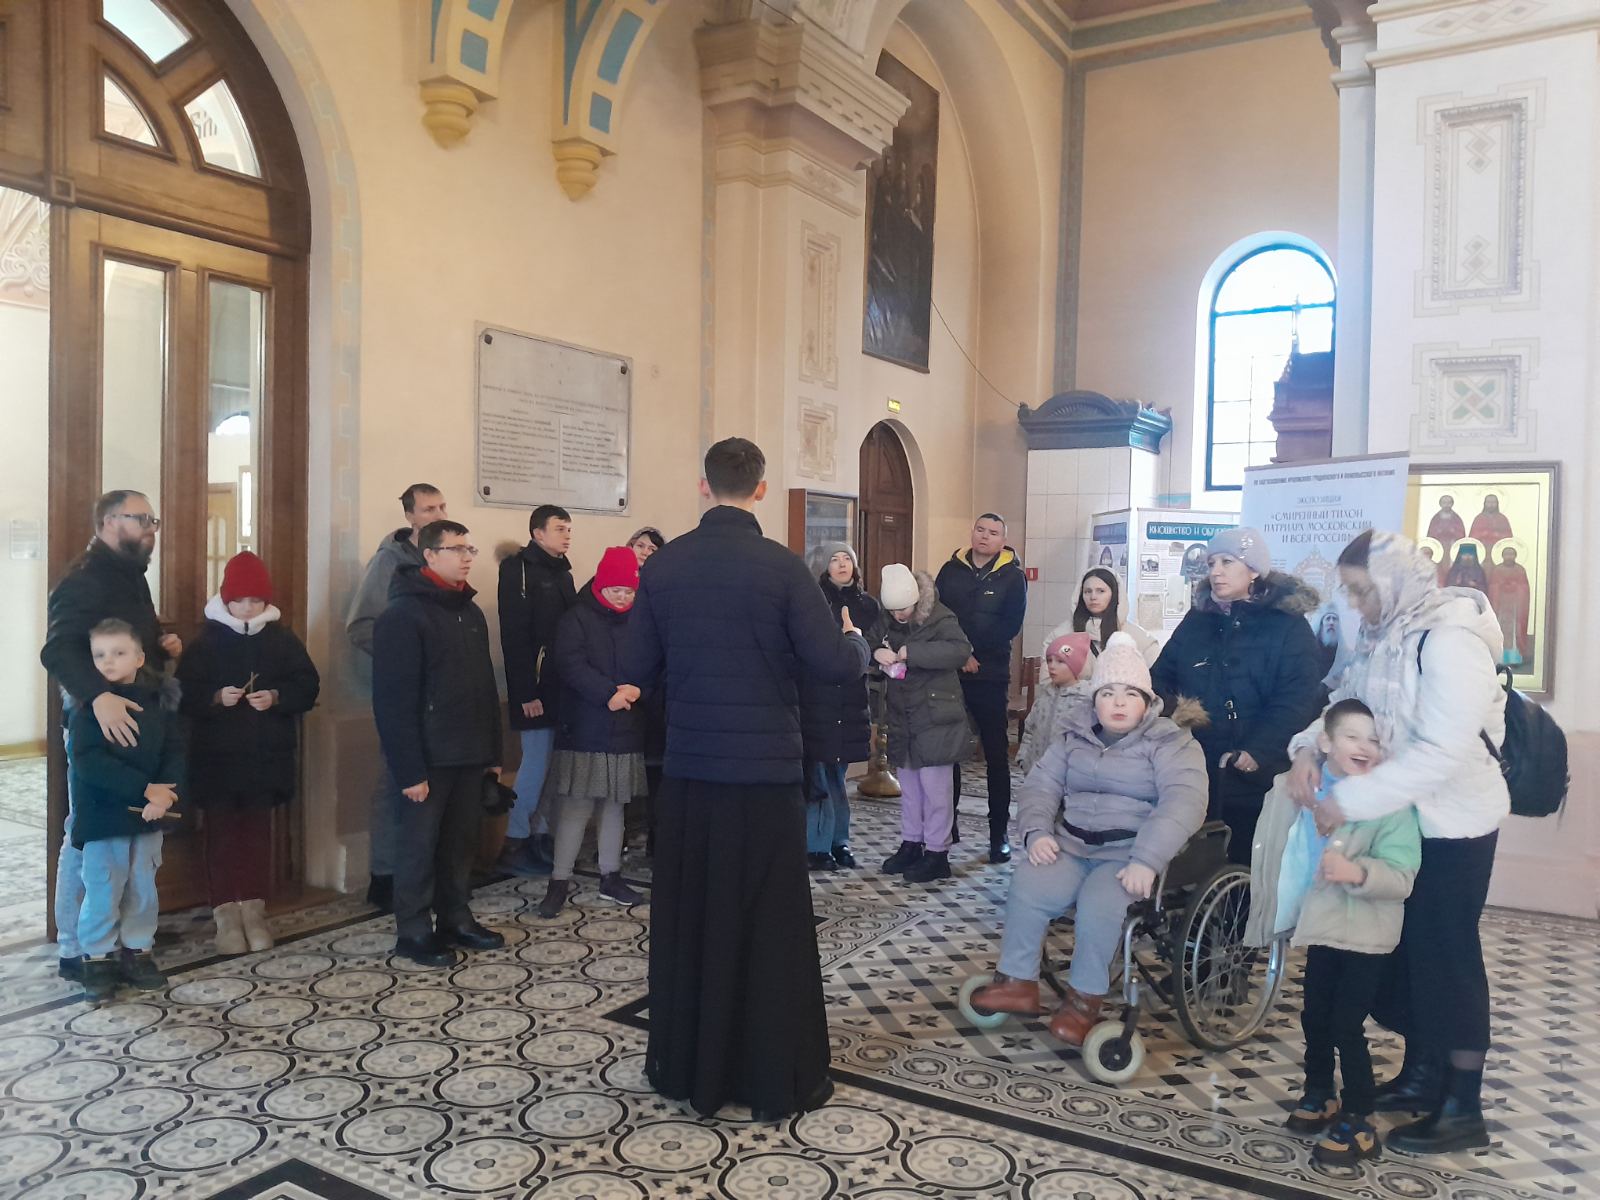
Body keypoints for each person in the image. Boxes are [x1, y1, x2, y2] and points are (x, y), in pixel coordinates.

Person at [620, 437, 869, 1121]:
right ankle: (770, 1072)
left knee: (695, 914)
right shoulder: (782, 567)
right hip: (764, 774)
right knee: (767, 919)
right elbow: (831, 663)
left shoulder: (665, 566)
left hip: (692, 771)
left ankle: (689, 1067)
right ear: (760, 489)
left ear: (704, 486)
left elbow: (636, 666)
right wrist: (855, 641)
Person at [1285, 530, 1507, 1156]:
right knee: (1406, 956)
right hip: (1400, 819)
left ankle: (1462, 1105)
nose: (1356, 605)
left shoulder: (1451, 640)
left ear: (1392, 580)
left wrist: (1349, 801)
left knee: (1447, 959)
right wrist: (1306, 749)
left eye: (1362, 591)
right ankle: (1421, 1075)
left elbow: (1441, 752)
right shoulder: (1383, 637)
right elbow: (1345, 709)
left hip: (1454, 827)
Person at [967, 633, 1207, 1044]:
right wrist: (1037, 831)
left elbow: (1185, 801)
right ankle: (1018, 982)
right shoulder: (1073, 736)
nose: (1118, 703)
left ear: (1147, 701)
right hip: (1073, 845)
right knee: (1029, 883)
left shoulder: (1170, 742)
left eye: (1130, 694)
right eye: (1107, 693)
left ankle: (1083, 999)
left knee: (1099, 905)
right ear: (1094, 701)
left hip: (1128, 856)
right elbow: (1040, 786)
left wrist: (1147, 859)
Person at [1246, 699, 1421, 1166]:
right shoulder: (1313, 789)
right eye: (1352, 737)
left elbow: (1402, 876)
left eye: (1375, 740)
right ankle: (1319, 1091)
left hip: (1367, 936)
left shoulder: (1391, 805)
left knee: (1346, 1023)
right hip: (1323, 927)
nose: (1364, 747)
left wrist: (1357, 872)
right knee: (1315, 1016)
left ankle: (1360, 1115)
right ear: (1326, 742)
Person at [40, 489, 181, 983]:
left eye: (152, 520)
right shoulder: (84, 578)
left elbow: (126, 639)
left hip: (137, 717)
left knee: (134, 840)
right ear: (107, 522)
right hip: (97, 722)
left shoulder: (129, 574)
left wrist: (160, 646)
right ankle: (76, 949)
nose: (150, 529)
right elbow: (58, 650)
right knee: (88, 836)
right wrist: (97, 696)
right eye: (140, 519)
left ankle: (126, 940)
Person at [373, 520, 507, 968]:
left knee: (460, 843)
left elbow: (485, 688)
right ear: (429, 555)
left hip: (469, 751)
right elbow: (393, 701)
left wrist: (493, 754)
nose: (467, 557)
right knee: (418, 847)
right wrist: (409, 769)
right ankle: (413, 930)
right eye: (456, 549)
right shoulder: (403, 615)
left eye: (470, 548)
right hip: (428, 757)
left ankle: (455, 917)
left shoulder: (470, 612)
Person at [1151, 527, 1325, 865]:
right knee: (1191, 862)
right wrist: (1175, 712)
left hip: (1254, 772)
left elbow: (1296, 697)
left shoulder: (1287, 625)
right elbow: (1160, 677)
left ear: (1254, 570)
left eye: (1227, 562)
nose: (1215, 571)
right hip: (1193, 762)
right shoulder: (1197, 619)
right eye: (1211, 563)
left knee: (1244, 861)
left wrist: (1259, 749)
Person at [176, 552, 321, 954]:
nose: (247, 608)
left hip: (265, 758)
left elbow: (307, 684)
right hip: (216, 759)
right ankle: (225, 914)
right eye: (239, 600)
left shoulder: (281, 640)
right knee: (221, 835)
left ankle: (254, 911)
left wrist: (276, 696)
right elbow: (182, 693)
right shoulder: (205, 642)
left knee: (258, 834)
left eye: (255, 601)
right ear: (226, 600)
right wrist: (214, 697)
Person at [67, 620, 184, 1003]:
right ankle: (98, 957)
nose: (108, 661)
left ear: (140, 657)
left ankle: (138, 951)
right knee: (103, 887)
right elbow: (89, 762)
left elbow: (174, 752)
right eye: (99, 655)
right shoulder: (88, 709)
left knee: (142, 886)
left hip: (147, 816)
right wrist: (142, 789)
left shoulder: (159, 704)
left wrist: (164, 795)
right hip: (103, 817)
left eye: (119, 653)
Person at [346, 483, 449, 911]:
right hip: (403, 690)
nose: (437, 515)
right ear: (410, 516)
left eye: (441, 507)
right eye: (428, 509)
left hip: (439, 694)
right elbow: (362, 626)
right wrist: (407, 658)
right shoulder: (389, 562)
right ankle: (384, 875)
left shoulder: (443, 557)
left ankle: (425, 872)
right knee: (396, 781)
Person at [537, 547, 650, 919]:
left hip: (625, 727)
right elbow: (570, 664)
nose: (622, 597)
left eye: (629, 591)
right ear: (601, 585)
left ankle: (610, 876)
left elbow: (653, 664)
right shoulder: (577, 619)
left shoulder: (640, 621)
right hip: (584, 727)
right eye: (616, 590)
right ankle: (559, 880)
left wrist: (639, 690)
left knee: (615, 805)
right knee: (576, 807)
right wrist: (607, 695)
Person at [934, 513, 1028, 863]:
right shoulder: (950, 570)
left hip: (991, 673)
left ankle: (998, 833)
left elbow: (1010, 624)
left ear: (1002, 540)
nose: (984, 537)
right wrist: (960, 653)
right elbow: (938, 615)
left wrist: (974, 653)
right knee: (949, 752)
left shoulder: (1013, 577)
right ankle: (947, 826)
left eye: (993, 533)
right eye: (980, 530)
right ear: (972, 532)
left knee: (995, 755)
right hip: (952, 672)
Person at [872, 564, 973, 884]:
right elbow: (870, 642)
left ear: (916, 599)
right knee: (911, 789)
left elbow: (960, 651)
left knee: (936, 791)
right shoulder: (887, 618)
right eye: (893, 611)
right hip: (903, 715)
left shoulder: (940, 617)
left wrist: (911, 652)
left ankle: (937, 852)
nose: (898, 615)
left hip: (936, 715)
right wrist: (877, 652)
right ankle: (911, 843)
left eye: (903, 609)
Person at [497, 504, 578, 877]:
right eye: (560, 528)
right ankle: (515, 840)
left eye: (569, 529)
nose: (567, 535)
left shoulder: (562, 572)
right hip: (534, 688)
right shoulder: (519, 571)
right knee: (534, 764)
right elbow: (514, 638)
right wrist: (525, 692)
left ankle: (540, 835)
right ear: (537, 533)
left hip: (560, 685)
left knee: (552, 768)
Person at [800, 542, 879, 871]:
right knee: (819, 775)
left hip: (850, 700)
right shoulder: (812, 602)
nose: (842, 564)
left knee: (838, 776)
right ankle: (816, 845)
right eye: (835, 559)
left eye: (847, 558)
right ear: (823, 566)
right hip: (818, 697)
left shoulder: (868, 605)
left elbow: (873, 647)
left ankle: (839, 841)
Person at [1042, 567, 1157, 670]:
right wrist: (1081, 686)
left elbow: (1156, 681)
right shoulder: (1060, 637)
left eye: (1101, 591)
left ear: (1114, 595)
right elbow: (1047, 680)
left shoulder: (1139, 640)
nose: (1093, 597)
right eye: (1087, 591)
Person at [1016, 632, 1093, 776]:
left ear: (1075, 665)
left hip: (1066, 775)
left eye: (1060, 661)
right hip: (1036, 771)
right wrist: (1024, 757)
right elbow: (1030, 728)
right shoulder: (1045, 695)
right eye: (1049, 660)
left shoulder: (1085, 700)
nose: (1052, 666)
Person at [1487, 545, 1531, 665]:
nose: (1509, 557)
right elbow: (1493, 586)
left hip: (1515, 606)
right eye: (1506, 554)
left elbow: (1524, 587)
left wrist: (1515, 587)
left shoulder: (1520, 570)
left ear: (1515, 556)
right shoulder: (1497, 570)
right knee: (1500, 629)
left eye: (1511, 554)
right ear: (1502, 556)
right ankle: (1499, 658)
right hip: (1501, 605)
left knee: (1515, 631)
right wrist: (1501, 586)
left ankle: (1514, 658)